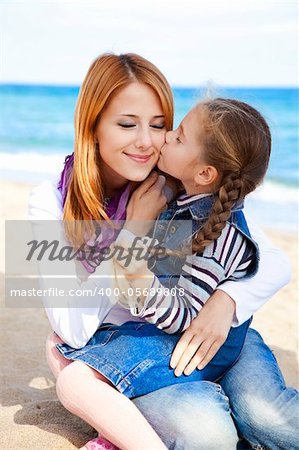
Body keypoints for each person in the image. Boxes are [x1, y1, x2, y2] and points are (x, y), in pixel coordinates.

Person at [28, 53, 297, 450]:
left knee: (267, 417)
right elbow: (70, 328)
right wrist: (133, 231)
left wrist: (227, 301)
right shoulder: (49, 201)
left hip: (213, 336)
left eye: (160, 126)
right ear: (93, 126)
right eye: (126, 124)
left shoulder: (180, 183)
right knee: (209, 435)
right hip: (144, 349)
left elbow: (271, 259)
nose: (147, 142)